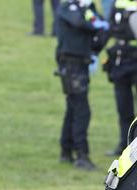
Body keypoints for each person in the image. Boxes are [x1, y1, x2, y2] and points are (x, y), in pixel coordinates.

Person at [55, 0, 110, 170]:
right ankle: (81, 154)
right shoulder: (68, 7)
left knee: (73, 107)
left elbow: (103, 28)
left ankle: (66, 150)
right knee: (81, 110)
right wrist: (94, 23)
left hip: (83, 62)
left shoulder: (88, 8)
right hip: (71, 64)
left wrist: (95, 49)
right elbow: (79, 22)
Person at [102, 0, 137, 157]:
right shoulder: (118, 2)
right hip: (121, 56)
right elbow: (110, 26)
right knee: (123, 105)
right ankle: (123, 143)